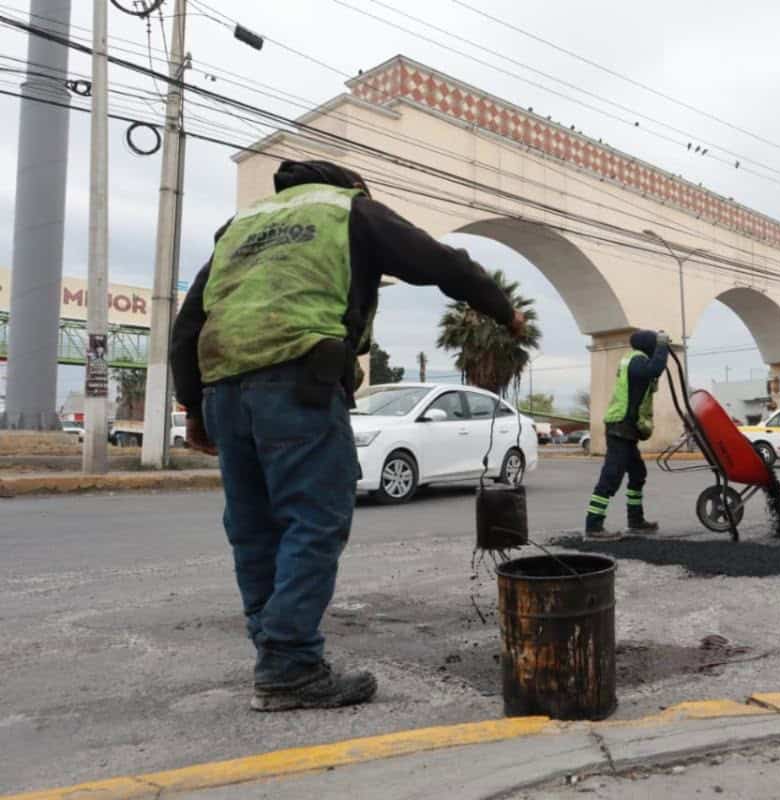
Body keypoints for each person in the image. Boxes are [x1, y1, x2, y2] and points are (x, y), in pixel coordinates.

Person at [170, 160, 523, 711]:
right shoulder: (349, 209)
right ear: (355, 187)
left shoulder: (240, 226)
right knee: (315, 520)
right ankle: (289, 666)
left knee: (254, 529)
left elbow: (190, 322)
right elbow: (441, 262)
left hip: (225, 391)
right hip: (298, 384)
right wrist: (504, 311)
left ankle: (274, 654)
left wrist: (193, 406)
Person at [585, 330, 670, 540]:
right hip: (620, 426)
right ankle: (593, 525)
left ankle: (636, 521)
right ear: (649, 345)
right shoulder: (637, 361)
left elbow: (652, 373)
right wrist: (662, 345)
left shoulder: (635, 360)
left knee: (638, 473)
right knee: (612, 475)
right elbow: (655, 369)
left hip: (626, 428)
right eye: (654, 344)